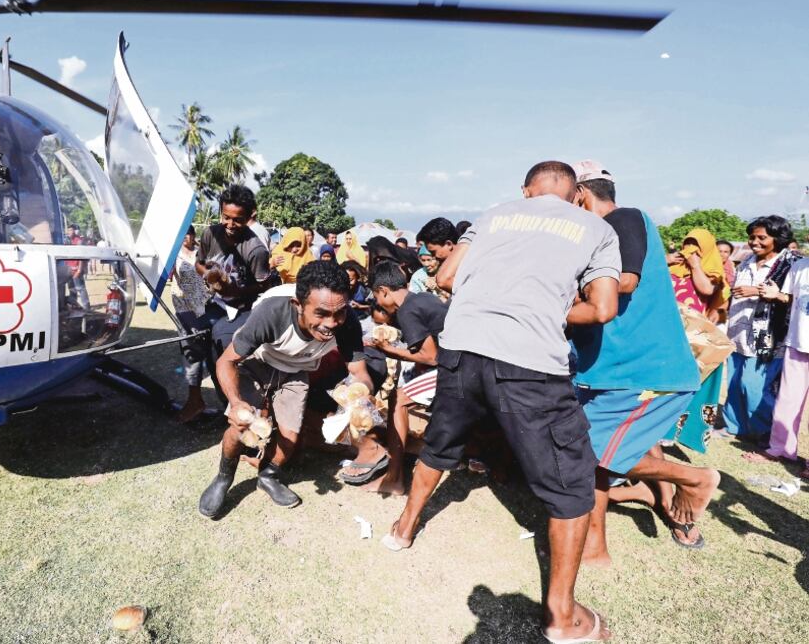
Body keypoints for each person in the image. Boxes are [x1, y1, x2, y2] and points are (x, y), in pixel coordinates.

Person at [386, 161, 621, 643]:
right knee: (572, 482)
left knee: (441, 443)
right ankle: (562, 616)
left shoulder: (493, 215)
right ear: (576, 194)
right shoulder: (595, 227)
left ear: (525, 191)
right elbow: (602, 308)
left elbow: (446, 278)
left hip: (462, 349)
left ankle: (402, 528)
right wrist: (546, 306)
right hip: (529, 363)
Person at [569, 160, 718, 558]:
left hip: (642, 370)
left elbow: (625, 280)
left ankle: (695, 478)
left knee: (591, 452)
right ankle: (595, 544)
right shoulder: (598, 232)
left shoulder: (623, 218)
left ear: (581, 194)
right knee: (593, 463)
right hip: (607, 370)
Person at [198, 261, 372, 518]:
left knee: (290, 438)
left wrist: (356, 403)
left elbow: (360, 374)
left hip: (296, 372)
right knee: (241, 428)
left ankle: (268, 476)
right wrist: (235, 403)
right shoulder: (272, 312)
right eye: (321, 313)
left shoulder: (347, 323)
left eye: (339, 313)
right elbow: (227, 361)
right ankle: (224, 477)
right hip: (257, 364)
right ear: (297, 305)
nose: (332, 323)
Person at [353, 261, 448, 495]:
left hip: (452, 368)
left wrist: (388, 350)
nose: (379, 302)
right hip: (458, 362)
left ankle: (395, 477)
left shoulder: (406, 309)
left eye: (377, 296)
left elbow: (431, 357)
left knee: (399, 399)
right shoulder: (423, 298)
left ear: (383, 290)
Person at [723, 216, 800, 440]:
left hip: (768, 338)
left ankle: (764, 432)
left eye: (761, 238)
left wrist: (759, 292)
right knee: (735, 382)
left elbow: (798, 299)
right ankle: (734, 427)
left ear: (778, 238)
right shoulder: (747, 260)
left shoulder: (792, 265)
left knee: (754, 385)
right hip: (738, 333)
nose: (754, 242)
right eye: (752, 237)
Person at [195, 185, 273, 375]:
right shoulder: (210, 234)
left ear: (249, 217)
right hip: (213, 304)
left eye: (238, 220)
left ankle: (236, 399)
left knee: (225, 351)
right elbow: (199, 263)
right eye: (226, 217)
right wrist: (208, 275)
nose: (230, 224)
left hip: (242, 310)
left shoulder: (256, 250)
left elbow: (264, 285)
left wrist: (233, 291)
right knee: (202, 346)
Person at [747, 254, 809, 474]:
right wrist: (778, 295)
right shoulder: (800, 266)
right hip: (797, 342)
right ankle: (780, 449)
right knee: (787, 400)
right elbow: (791, 298)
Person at [171, 225, 213, 422]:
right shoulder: (172, 256)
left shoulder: (201, 252)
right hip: (185, 310)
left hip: (207, 308)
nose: (187, 237)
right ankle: (195, 400)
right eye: (183, 234)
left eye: (190, 233)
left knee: (212, 354)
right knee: (191, 355)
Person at [668, 228, 728, 323]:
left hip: (692, 324)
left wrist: (695, 266)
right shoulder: (675, 263)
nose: (691, 247)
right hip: (667, 317)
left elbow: (707, 289)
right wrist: (663, 261)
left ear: (706, 246)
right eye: (688, 243)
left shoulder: (713, 269)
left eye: (696, 244)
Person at [65, 224, 90, 310]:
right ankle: (74, 305)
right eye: (68, 230)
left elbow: (82, 257)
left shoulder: (79, 241)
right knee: (72, 289)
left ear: (75, 231)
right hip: (70, 269)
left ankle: (87, 307)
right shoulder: (68, 241)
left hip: (77, 269)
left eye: (71, 230)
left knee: (80, 288)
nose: (69, 232)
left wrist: (79, 270)